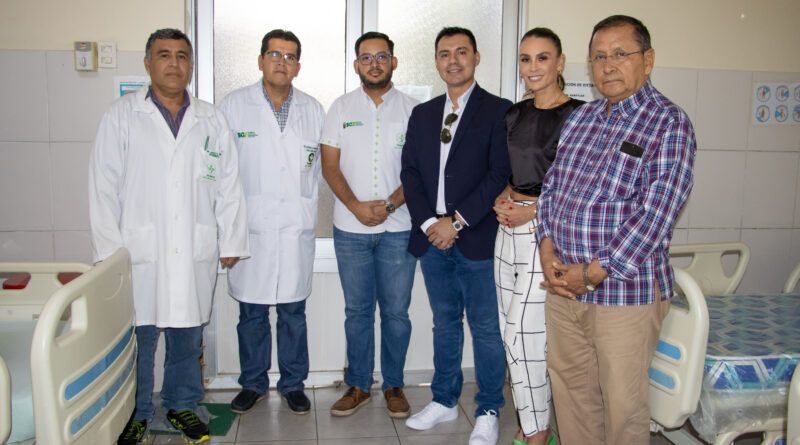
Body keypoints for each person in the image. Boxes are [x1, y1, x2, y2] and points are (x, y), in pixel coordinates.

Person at [536, 15, 696, 445]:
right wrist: (547, 250)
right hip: (564, 287)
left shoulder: (667, 123)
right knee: (572, 397)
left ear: (648, 59)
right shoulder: (581, 119)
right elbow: (551, 188)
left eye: (620, 54)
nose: (608, 66)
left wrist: (592, 272)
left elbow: (657, 212)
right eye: (599, 57)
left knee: (623, 409)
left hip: (624, 293)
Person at [88, 28, 249, 445]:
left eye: (182, 56)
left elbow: (229, 185)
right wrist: (109, 254)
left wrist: (232, 239)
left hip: (193, 246)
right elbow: (102, 186)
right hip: (137, 251)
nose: (174, 64)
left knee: (187, 335)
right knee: (138, 339)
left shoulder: (211, 118)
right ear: (148, 63)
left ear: (191, 65)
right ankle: (136, 412)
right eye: (164, 55)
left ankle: (181, 405)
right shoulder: (122, 115)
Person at [401, 26, 511, 445]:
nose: (453, 60)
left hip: (477, 238)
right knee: (444, 323)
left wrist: (457, 222)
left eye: (461, 52)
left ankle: (488, 408)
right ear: (436, 61)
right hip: (433, 240)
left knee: (485, 328)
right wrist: (430, 224)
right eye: (445, 53)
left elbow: (499, 174)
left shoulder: (499, 110)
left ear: (476, 58)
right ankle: (445, 400)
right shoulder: (423, 114)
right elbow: (410, 172)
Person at [218, 29, 324, 416]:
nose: (282, 62)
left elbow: (319, 172)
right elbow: (222, 173)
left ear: (298, 66)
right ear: (261, 60)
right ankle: (253, 383)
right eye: (275, 54)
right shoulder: (233, 106)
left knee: (293, 314)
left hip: (294, 230)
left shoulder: (313, 109)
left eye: (290, 56)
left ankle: (293, 384)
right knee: (252, 315)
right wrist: (226, 233)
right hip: (250, 231)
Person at [320, 31, 419, 419]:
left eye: (381, 56)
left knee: (396, 313)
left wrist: (390, 204)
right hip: (350, 228)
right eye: (366, 57)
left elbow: (420, 169)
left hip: (399, 228)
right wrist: (356, 207)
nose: (374, 63)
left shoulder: (414, 110)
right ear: (356, 64)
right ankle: (359, 385)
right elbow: (330, 167)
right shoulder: (340, 108)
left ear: (394, 62)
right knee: (357, 312)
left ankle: (394, 385)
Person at [493, 28, 584, 445]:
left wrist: (530, 210)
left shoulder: (580, 116)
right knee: (509, 333)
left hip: (544, 234)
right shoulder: (514, 114)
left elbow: (581, 187)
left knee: (522, 335)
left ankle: (537, 432)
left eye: (542, 58)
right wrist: (502, 199)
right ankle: (533, 422)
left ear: (560, 62)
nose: (533, 67)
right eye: (525, 59)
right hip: (507, 229)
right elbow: (513, 175)